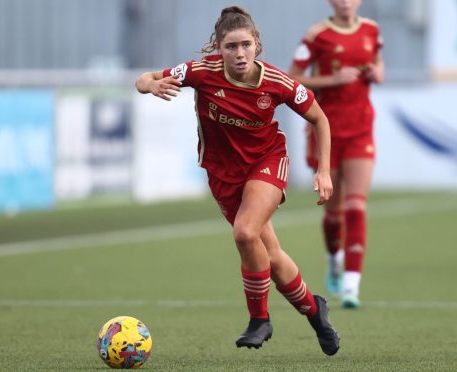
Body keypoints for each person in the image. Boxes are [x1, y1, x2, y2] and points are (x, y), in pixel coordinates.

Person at [135, 6, 340, 355]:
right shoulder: (200, 73)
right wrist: (151, 84)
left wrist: (323, 170)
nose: (239, 53)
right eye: (231, 46)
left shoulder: (277, 83)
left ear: (257, 45)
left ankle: (259, 320)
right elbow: (143, 79)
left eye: (245, 44)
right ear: (219, 48)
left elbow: (320, 119)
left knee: (245, 232)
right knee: (270, 256)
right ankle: (313, 309)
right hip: (223, 174)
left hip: (267, 162)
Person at [288, 0, 384, 309]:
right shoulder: (317, 35)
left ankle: (351, 286)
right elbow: (294, 78)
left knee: (356, 205)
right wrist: (333, 79)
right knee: (334, 212)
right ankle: (333, 260)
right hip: (326, 132)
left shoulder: (371, 29)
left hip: (360, 130)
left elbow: (379, 62)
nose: (346, 2)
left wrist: (377, 73)